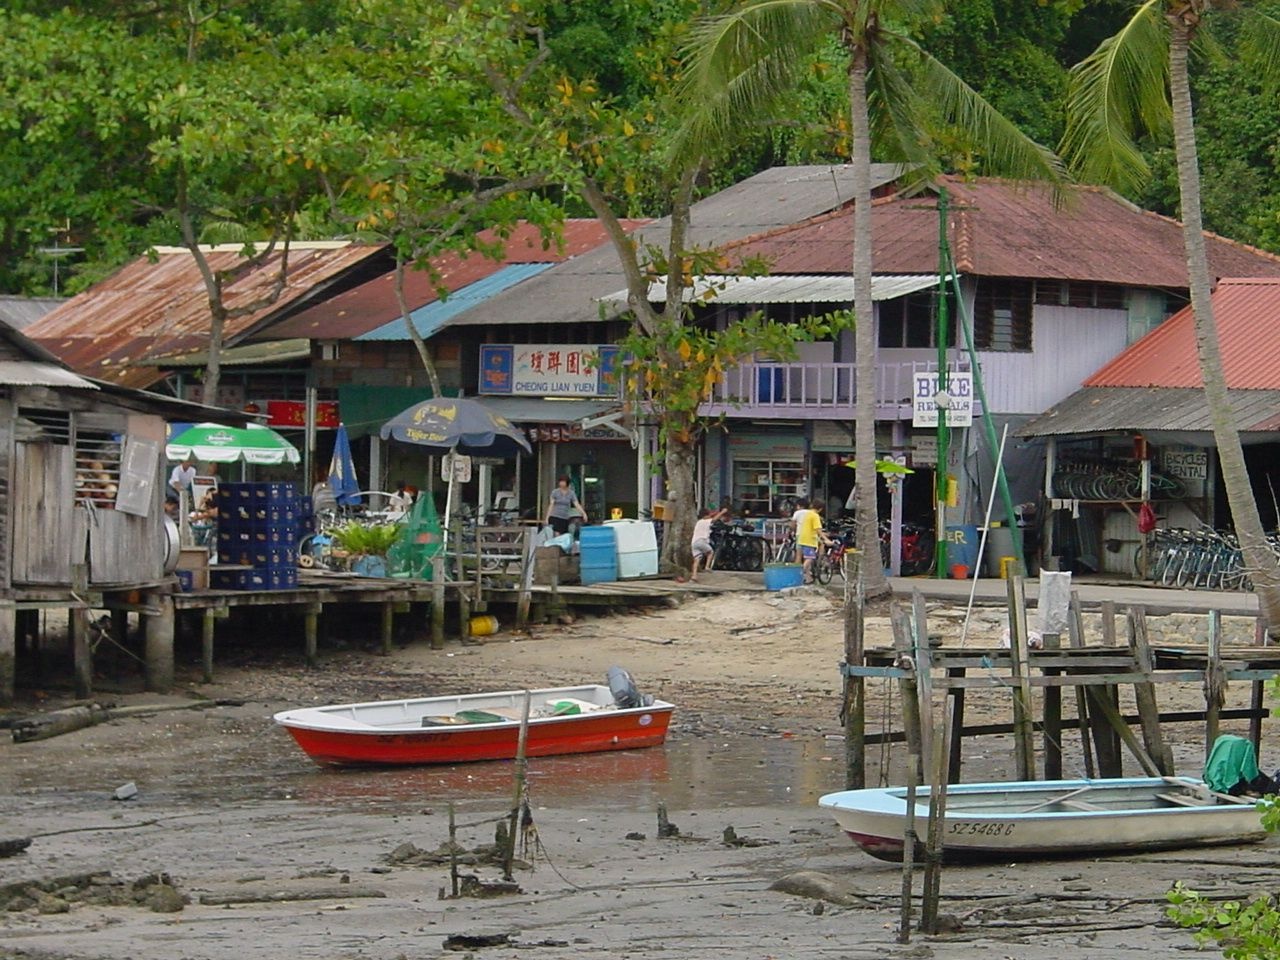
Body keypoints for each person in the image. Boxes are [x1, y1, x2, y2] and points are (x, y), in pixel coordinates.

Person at [796, 500, 833, 584]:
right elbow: (818, 529)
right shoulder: (815, 516)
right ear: (820, 509)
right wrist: (826, 539)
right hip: (809, 540)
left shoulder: (808, 514)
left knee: (807, 557)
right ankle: (798, 574)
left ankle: (809, 578)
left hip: (802, 538)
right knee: (810, 558)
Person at [690, 508, 717, 581]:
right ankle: (707, 566)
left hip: (694, 542)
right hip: (701, 541)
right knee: (710, 552)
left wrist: (715, 512)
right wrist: (722, 512)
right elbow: (714, 519)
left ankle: (694, 575)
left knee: (696, 559)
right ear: (705, 516)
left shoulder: (698, 522)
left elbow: (711, 516)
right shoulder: (706, 521)